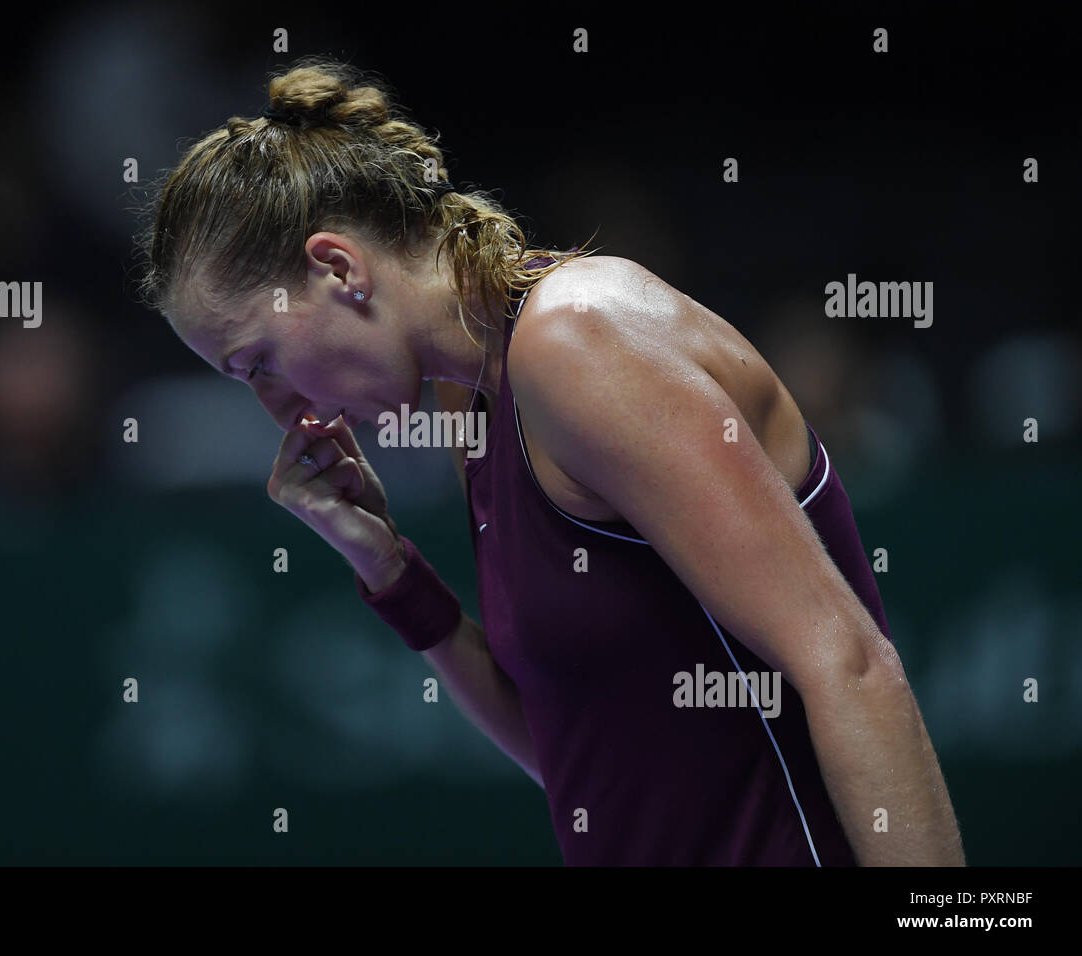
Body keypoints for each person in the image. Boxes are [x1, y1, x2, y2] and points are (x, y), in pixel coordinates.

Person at [138, 55, 964, 866]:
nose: (282, 408)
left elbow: (847, 662)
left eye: (258, 365)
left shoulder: (576, 345)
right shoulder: (473, 395)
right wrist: (392, 573)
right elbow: (580, 762)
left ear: (337, 268)